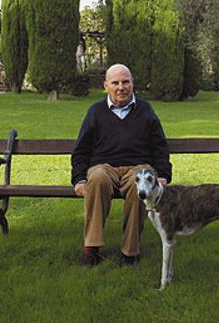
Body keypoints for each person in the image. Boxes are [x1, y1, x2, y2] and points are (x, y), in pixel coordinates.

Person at [71, 63, 172, 267]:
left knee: (140, 186)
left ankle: (130, 252)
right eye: (115, 82)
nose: (121, 87)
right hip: (103, 166)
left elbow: (159, 146)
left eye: (125, 82)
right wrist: (79, 179)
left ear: (132, 84)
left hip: (137, 166)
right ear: (106, 85)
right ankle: (91, 248)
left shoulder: (145, 110)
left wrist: (162, 175)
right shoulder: (96, 111)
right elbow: (81, 150)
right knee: (97, 179)